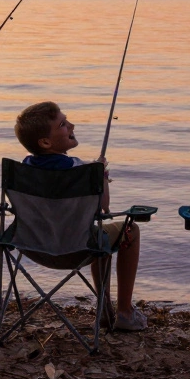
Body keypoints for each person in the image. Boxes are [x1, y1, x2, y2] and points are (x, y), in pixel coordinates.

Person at [14, 101, 147, 332]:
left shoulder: (24, 169)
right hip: (77, 249)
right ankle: (124, 312)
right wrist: (101, 173)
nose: (72, 125)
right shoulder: (78, 169)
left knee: (100, 235)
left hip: (32, 246)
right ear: (45, 142)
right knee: (129, 231)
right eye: (63, 124)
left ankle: (105, 308)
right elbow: (104, 207)